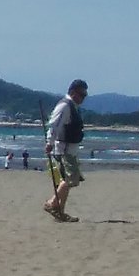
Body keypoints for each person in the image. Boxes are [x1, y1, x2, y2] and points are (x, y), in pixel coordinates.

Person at [43, 79, 88, 222]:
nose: (83, 98)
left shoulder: (73, 107)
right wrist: (49, 142)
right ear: (73, 92)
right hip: (63, 150)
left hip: (71, 150)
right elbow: (54, 125)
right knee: (71, 179)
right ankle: (52, 203)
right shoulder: (64, 106)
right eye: (82, 94)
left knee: (66, 181)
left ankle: (60, 212)